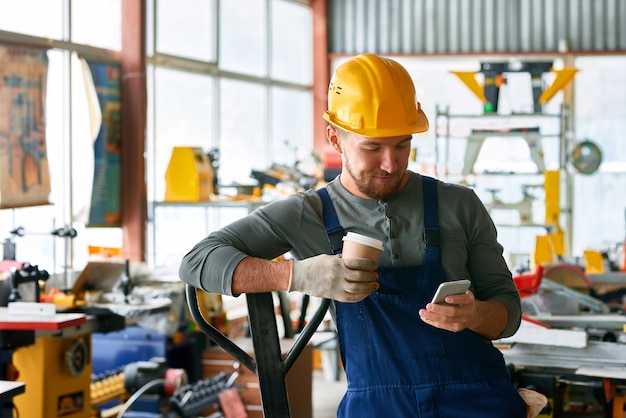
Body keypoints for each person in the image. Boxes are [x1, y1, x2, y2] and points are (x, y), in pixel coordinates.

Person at [179, 53, 527, 417]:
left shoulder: (459, 205)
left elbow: (509, 311)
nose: (390, 164)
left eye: (402, 145)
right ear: (335, 138)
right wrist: (295, 276)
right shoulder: (307, 214)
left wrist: (475, 315)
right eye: (372, 148)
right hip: (377, 405)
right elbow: (197, 262)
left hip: (475, 401)